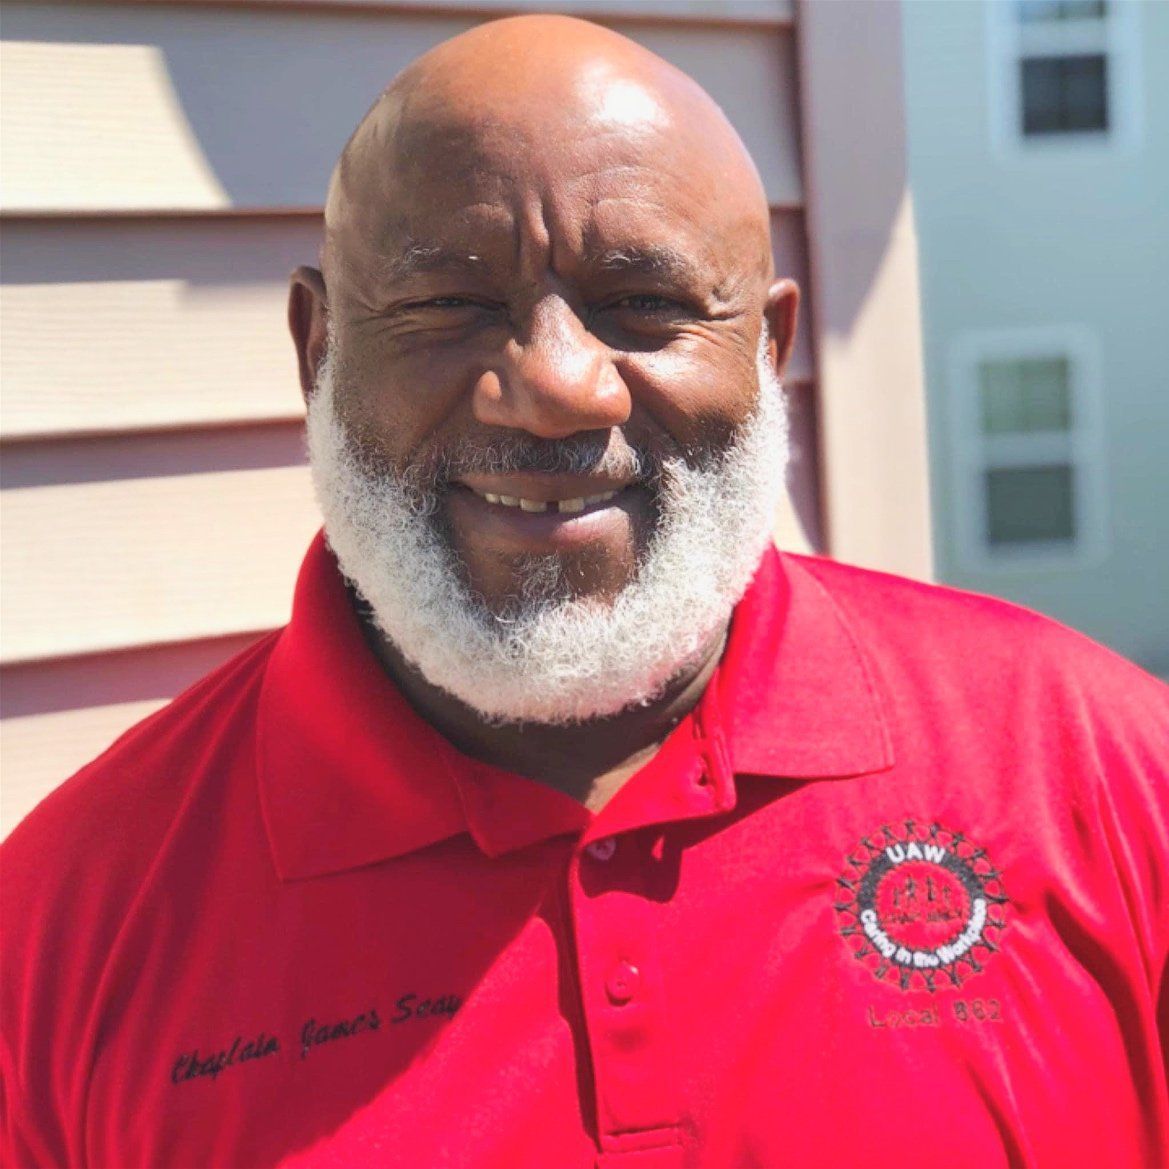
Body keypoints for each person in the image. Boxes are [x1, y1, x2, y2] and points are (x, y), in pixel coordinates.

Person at [2, 15, 1166, 1169]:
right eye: (448, 305)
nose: (554, 387)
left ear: (768, 356)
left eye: (640, 302)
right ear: (317, 355)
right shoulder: (62, 930)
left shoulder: (1100, 773)